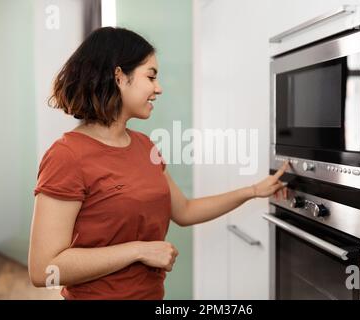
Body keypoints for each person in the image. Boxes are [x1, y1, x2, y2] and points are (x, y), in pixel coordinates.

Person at [28, 27, 289, 300]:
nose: (159, 88)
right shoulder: (67, 156)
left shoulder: (144, 146)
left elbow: (185, 211)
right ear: (119, 77)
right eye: (151, 76)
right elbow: (42, 270)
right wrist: (139, 250)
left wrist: (253, 191)